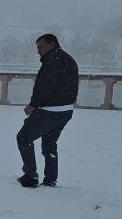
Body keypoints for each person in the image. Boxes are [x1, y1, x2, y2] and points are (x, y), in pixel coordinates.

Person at [16, 33, 78, 188]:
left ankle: (31, 176)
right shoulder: (68, 59)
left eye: (41, 47)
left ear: (52, 44)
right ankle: (50, 180)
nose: (39, 51)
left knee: (24, 137)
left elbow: (46, 85)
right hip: (65, 111)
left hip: (50, 110)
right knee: (50, 144)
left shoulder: (53, 60)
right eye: (37, 48)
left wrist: (33, 105)